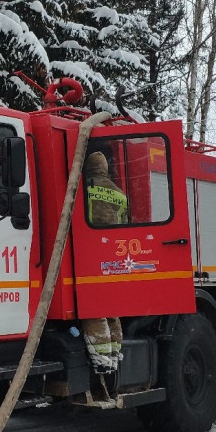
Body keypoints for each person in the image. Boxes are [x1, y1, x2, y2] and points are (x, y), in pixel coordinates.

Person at [82, 150, 127, 372]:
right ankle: (114, 354)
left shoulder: (84, 188)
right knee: (111, 308)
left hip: (90, 254)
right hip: (114, 257)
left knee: (94, 309)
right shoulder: (119, 193)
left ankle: (101, 362)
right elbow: (125, 224)